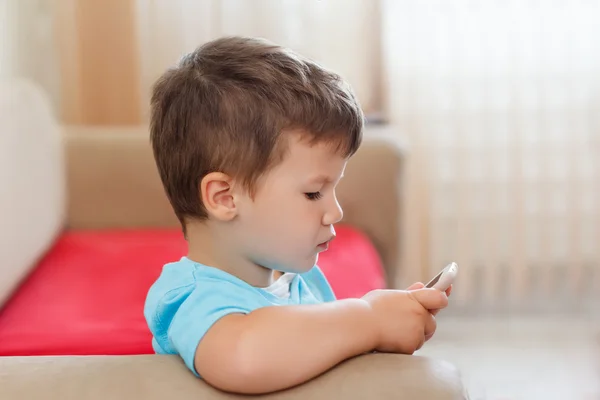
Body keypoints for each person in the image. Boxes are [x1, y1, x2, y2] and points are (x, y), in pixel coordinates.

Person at [144, 36, 451, 395]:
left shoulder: (298, 280)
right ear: (225, 197)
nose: (335, 211)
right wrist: (369, 318)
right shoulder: (189, 298)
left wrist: (390, 322)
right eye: (313, 193)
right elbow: (246, 357)